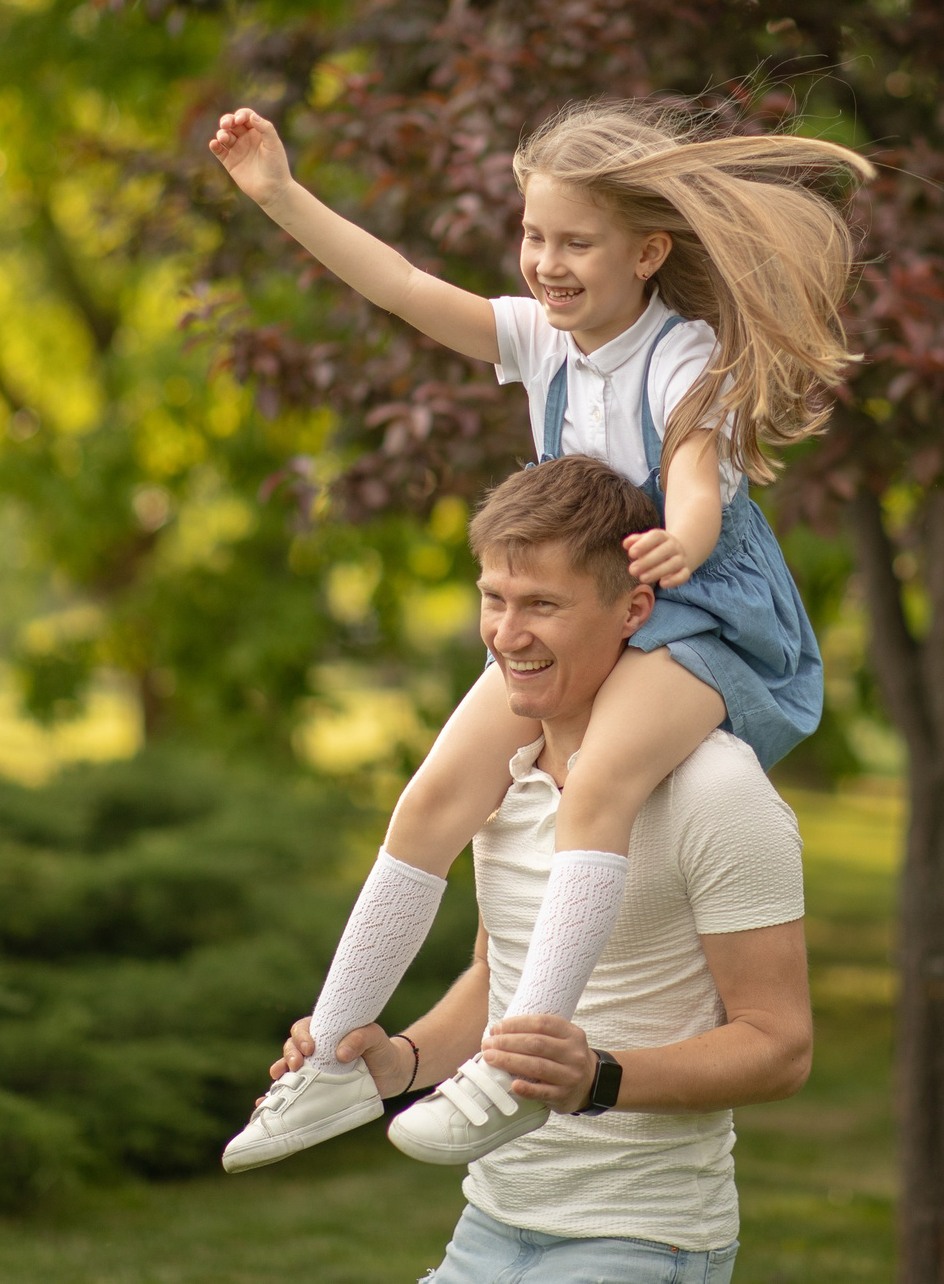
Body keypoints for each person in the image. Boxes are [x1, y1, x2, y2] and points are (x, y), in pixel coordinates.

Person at [209, 98, 864, 1170]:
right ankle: (331, 1059)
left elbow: (696, 481)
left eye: (574, 242)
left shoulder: (680, 356)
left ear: (648, 251)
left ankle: (511, 1072)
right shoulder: (539, 340)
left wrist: (682, 545)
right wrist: (279, 193)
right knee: (434, 797)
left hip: (698, 610)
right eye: (533, 237)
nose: (546, 263)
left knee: (597, 783)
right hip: (587, 605)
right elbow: (404, 288)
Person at [273, 457, 811, 1282]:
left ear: (635, 609)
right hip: (489, 1222)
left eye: (543, 606)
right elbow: (499, 979)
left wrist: (597, 1078)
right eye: (495, 598)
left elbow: (780, 1046)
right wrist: (399, 1063)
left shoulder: (717, 786)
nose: (506, 635)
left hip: (642, 1238)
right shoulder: (506, 776)